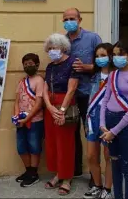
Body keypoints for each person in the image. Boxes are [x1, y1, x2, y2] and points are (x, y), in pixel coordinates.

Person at [63, 8, 102, 185]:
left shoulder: (92, 38)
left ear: (80, 19)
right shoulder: (62, 41)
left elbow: (104, 63)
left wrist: (86, 67)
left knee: (91, 133)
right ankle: (75, 169)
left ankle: (95, 176)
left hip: (89, 94)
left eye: (72, 18)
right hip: (70, 95)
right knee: (71, 134)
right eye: (66, 19)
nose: (69, 21)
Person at [43, 33, 79, 196]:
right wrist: (50, 107)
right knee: (52, 143)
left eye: (54, 48)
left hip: (65, 105)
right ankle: (58, 174)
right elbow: (44, 88)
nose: (52, 51)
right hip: (51, 106)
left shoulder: (72, 63)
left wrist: (61, 111)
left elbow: (71, 89)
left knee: (65, 144)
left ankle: (67, 178)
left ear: (63, 48)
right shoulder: (50, 66)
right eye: (49, 48)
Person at [100, 41, 128, 199]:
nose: (116, 58)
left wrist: (113, 132)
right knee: (114, 165)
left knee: (127, 167)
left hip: (126, 124)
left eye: (120, 54)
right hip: (109, 123)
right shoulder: (113, 75)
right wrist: (102, 124)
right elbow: (105, 100)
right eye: (114, 55)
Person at [83, 43, 113, 199]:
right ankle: (97, 185)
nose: (100, 59)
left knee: (109, 156)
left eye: (103, 56)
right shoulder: (94, 76)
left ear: (110, 57)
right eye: (97, 56)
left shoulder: (117, 76)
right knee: (91, 156)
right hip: (93, 118)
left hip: (110, 120)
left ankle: (107, 189)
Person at [14, 53, 44, 187]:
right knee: (21, 147)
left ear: (37, 65)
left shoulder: (39, 81)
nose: (28, 66)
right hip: (21, 121)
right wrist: (17, 117)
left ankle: (34, 173)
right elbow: (16, 101)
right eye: (25, 64)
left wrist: (27, 118)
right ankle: (28, 171)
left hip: (35, 120)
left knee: (34, 147)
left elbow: (38, 104)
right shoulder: (21, 82)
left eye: (30, 64)